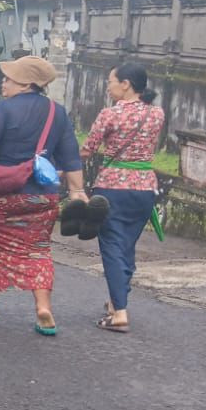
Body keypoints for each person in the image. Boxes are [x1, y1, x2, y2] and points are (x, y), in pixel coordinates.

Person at [0, 56, 87, 336]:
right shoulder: (57, 112)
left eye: (9, 78)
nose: (3, 82)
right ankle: (43, 307)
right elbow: (70, 155)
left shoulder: (2, 110)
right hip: (41, 197)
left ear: (26, 84)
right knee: (38, 250)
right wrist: (77, 191)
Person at [81, 62, 166, 334]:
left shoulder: (110, 115)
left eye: (111, 81)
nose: (108, 87)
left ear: (126, 84)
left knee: (112, 247)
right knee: (126, 246)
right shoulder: (157, 114)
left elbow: (88, 149)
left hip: (112, 189)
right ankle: (115, 301)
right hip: (144, 189)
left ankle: (119, 313)